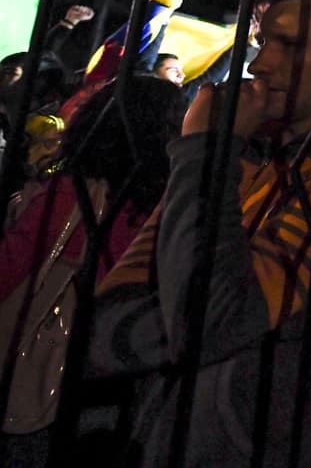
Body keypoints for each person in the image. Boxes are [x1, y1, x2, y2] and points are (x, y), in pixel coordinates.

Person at [93, 0, 311, 468]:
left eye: (287, 45)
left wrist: (205, 148)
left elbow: (206, 320)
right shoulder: (248, 146)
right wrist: (290, 308)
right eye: (262, 42)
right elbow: (105, 327)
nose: (259, 64)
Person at [0, 75, 185, 464]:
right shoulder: (173, 205)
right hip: (123, 374)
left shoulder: (75, 192)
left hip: (50, 377)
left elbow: (11, 266)